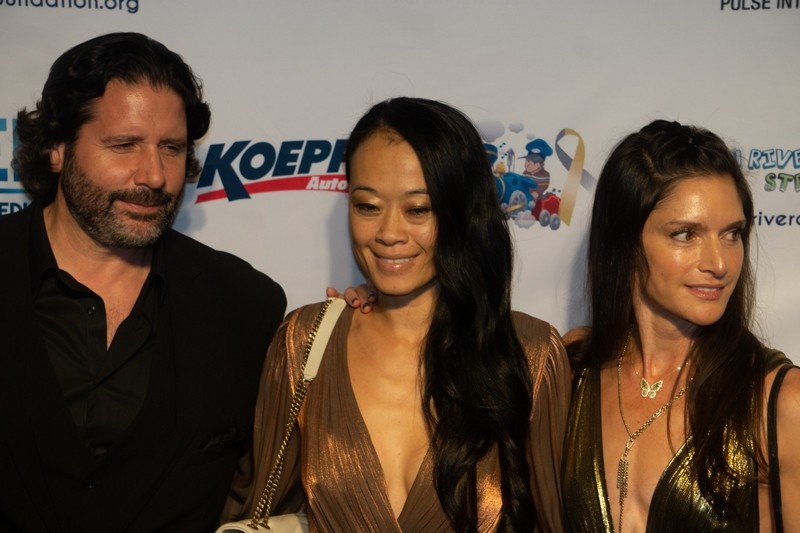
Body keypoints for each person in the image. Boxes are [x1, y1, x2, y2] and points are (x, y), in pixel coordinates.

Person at [239, 97, 571, 531]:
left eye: (418, 209)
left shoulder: (533, 354)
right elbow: (259, 510)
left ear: (462, 213)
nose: (389, 233)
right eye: (367, 206)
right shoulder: (304, 340)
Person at [0, 32, 286, 531]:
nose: (154, 175)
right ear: (56, 149)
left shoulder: (245, 303)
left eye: (171, 148)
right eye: (124, 145)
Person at [561, 120, 799, 531]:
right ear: (626, 242)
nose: (720, 263)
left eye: (732, 234)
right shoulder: (571, 375)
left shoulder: (780, 400)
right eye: (686, 234)